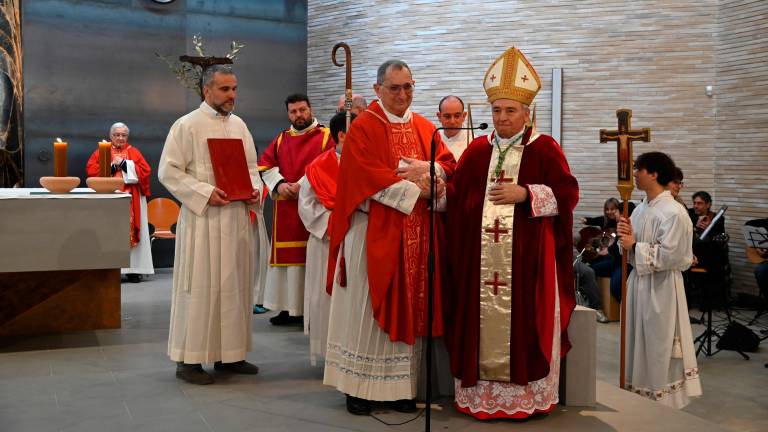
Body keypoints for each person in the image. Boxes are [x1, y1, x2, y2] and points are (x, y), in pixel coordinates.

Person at [444, 47, 579, 419]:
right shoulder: (474, 152)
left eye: (510, 111)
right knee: (480, 322)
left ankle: (523, 398)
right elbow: (456, 198)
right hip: (481, 267)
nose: (502, 118)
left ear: (527, 112)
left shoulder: (545, 149)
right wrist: (437, 185)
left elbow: (569, 193)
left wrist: (527, 193)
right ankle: (484, 398)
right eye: (497, 110)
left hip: (529, 265)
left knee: (524, 323)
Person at [323, 59, 456, 416]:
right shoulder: (365, 127)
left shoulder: (426, 127)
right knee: (365, 310)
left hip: (415, 234)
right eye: (395, 88)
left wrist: (432, 172)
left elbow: (447, 163)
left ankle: (399, 389)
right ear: (378, 89)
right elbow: (364, 176)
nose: (403, 94)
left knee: (409, 308)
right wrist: (420, 188)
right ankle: (357, 387)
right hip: (372, 234)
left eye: (408, 86)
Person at [158, 65, 269, 385]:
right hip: (204, 221)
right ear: (207, 90)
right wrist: (205, 193)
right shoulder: (187, 125)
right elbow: (168, 171)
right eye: (224, 89)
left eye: (234, 89)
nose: (232, 95)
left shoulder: (240, 126)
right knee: (201, 289)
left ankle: (230, 355)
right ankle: (188, 361)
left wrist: (254, 192)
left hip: (235, 220)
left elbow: (252, 169)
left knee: (234, 289)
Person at [616, 151, 702, 408]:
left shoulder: (674, 212)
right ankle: (638, 395)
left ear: (654, 174)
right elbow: (629, 249)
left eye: (638, 169)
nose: (634, 174)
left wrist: (634, 246)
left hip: (661, 287)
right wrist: (624, 239)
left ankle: (661, 402)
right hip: (638, 283)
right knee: (636, 340)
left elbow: (675, 257)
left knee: (657, 343)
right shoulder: (640, 208)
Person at [259, 94, 333, 325]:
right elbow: (265, 164)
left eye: (302, 110)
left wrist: (301, 185)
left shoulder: (325, 136)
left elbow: (327, 164)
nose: (298, 115)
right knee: (287, 263)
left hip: (312, 206)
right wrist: (281, 184)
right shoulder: (282, 139)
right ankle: (288, 308)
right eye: (293, 111)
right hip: (286, 208)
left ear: (310, 109)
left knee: (309, 259)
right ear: (288, 113)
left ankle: (308, 310)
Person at [297, 110, 356, 366]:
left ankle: (354, 350)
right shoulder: (319, 167)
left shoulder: (367, 163)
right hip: (326, 242)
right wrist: (334, 223)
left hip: (358, 240)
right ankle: (330, 354)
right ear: (342, 135)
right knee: (326, 299)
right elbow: (306, 205)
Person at [86, 122, 153, 283]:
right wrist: (111, 167)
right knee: (109, 232)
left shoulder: (134, 152)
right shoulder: (101, 151)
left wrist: (124, 164)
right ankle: (110, 269)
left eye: (123, 135)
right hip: (108, 201)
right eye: (117, 135)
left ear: (127, 137)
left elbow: (145, 172)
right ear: (111, 136)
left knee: (131, 233)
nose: (120, 138)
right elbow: (91, 171)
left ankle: (133, 270)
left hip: (132, 199)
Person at [436, 95, 470, 159]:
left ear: (463, 116)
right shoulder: (434, 139)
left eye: (457, 116)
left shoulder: (472, 141)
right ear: (439, 117)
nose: (452, 122)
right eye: (447, 116)